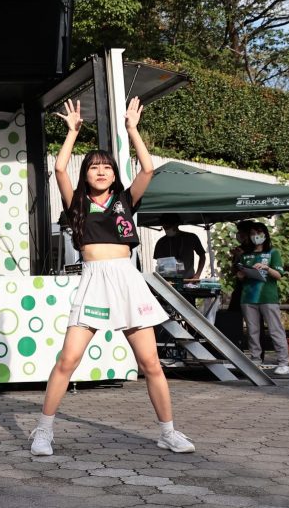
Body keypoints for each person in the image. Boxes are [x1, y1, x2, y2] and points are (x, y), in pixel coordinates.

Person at [30, 98, 195, 456]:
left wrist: (132, 129)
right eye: (94, 167)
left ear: (114, 174)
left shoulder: (125, 200)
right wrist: (72, 133)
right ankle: (43, 431)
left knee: (150, 363)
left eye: (106, 167)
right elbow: (59, 168)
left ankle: (168, 432)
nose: (101, 171)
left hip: (127, 280)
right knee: (67, 361)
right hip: (93, 280)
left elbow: (148, 169)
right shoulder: (77, 203)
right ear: (86, 174)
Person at [237, 222, 289, 375]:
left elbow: (279, 275)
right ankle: (255, 360)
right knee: (252, 331)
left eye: (259, 233)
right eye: (253, 234)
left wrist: (267, 268)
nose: (256, 236)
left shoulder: (273, 252)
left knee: (275, 330)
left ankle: (283, 363)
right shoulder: (245, 255)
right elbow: (240, 275)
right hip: (248, 297)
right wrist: (241, 273)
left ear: (265, 235)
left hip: (268, 297)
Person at [153, 214, 206, 280]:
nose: (166, 230)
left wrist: (197, 275)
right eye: (164, 228)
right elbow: (159, 263)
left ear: (176, 224)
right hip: (168, 282)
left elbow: (202, 255)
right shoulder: (161, 242)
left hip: (188, 280)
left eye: (168, 227)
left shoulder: (191, 237)